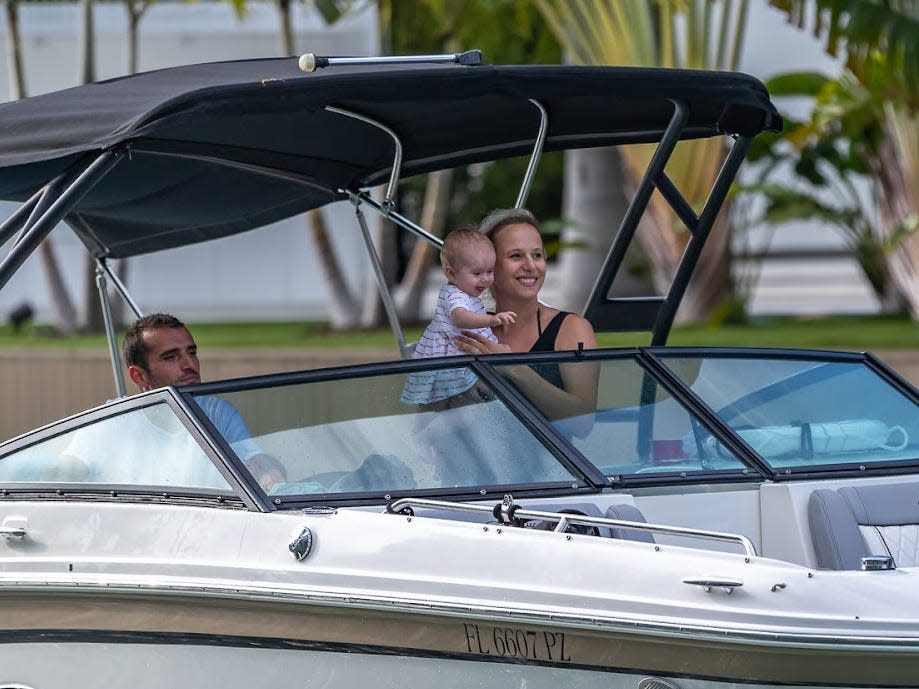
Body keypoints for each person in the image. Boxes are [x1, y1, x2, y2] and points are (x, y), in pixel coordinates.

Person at [55, 314, 284, 491]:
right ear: (139, 376)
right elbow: (61, 480)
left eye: (191, 352)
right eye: (171, 357)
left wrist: (267, 473)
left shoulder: (217, 413)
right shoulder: (111, 420)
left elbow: (254, 459)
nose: (189, 364)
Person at [454, 208, 599, 429]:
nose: (531, 266)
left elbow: (582, 423)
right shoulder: (468, 331)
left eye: (537, 255)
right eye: (516, 256)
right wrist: (463, 393)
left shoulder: (572, 329)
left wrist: (514, 368)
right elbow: (427, 426)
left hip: (550, 463)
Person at [400, 227, 515, 405]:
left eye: (489, 271)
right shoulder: (455, 294)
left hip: (458, 354)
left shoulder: (466, 293)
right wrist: (491, 320)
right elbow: (460, 318)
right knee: (456, 397)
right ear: (451, 274)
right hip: (448, 357)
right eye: (477, 273)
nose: (485, 279)